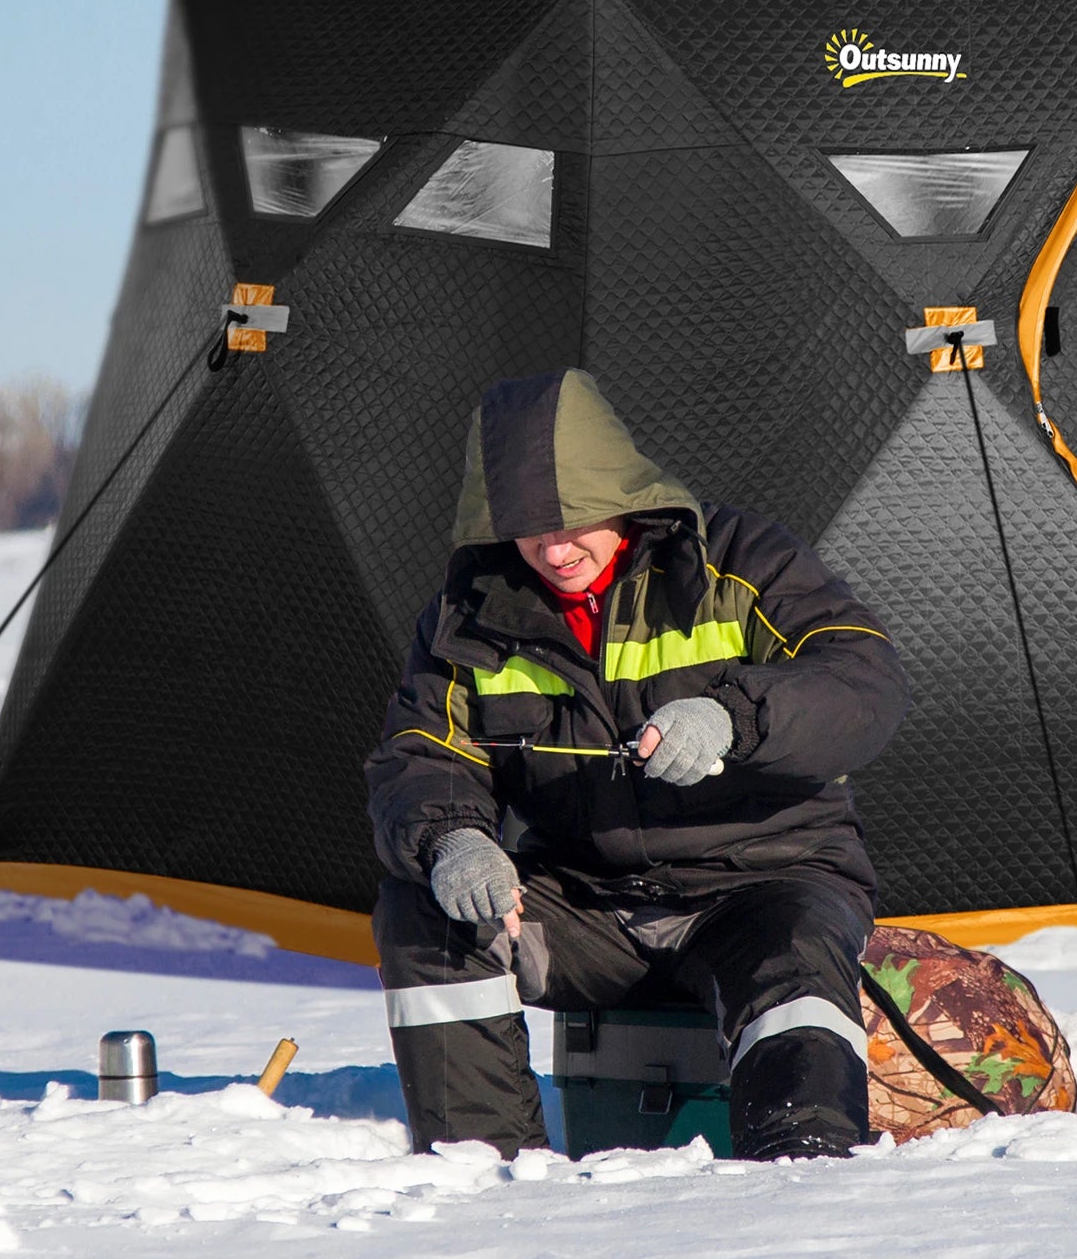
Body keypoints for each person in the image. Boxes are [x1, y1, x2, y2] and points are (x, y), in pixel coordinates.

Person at [365, 368, 910, 1161]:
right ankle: (483, 1173)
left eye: (578, 519)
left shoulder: (741, 560)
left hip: (764, 886)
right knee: (427, 913)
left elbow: (864, 683)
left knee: (794, 956)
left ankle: (803, 1171)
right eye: (527, 527)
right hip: (589, 908)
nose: (555, 549)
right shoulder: (468, 612)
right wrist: (453, 839)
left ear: (624, 493)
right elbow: (422, 749)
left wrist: (732, 718)